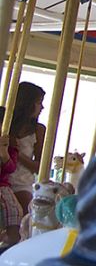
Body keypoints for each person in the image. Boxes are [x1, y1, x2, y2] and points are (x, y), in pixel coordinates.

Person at [8, 82, 45, 213]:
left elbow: (40, 167)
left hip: (21, 184)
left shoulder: (38, 130)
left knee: (24, 208)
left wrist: (17, 153)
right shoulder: (6, 124)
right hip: (4, 179)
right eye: (39, 103)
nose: (42, 107)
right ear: (27, 103)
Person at [0, 107, 22, 249]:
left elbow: (11, 168)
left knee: (13, 208)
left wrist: (4, 153)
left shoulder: (10, 146)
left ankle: (10, 237)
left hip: (2, 185)